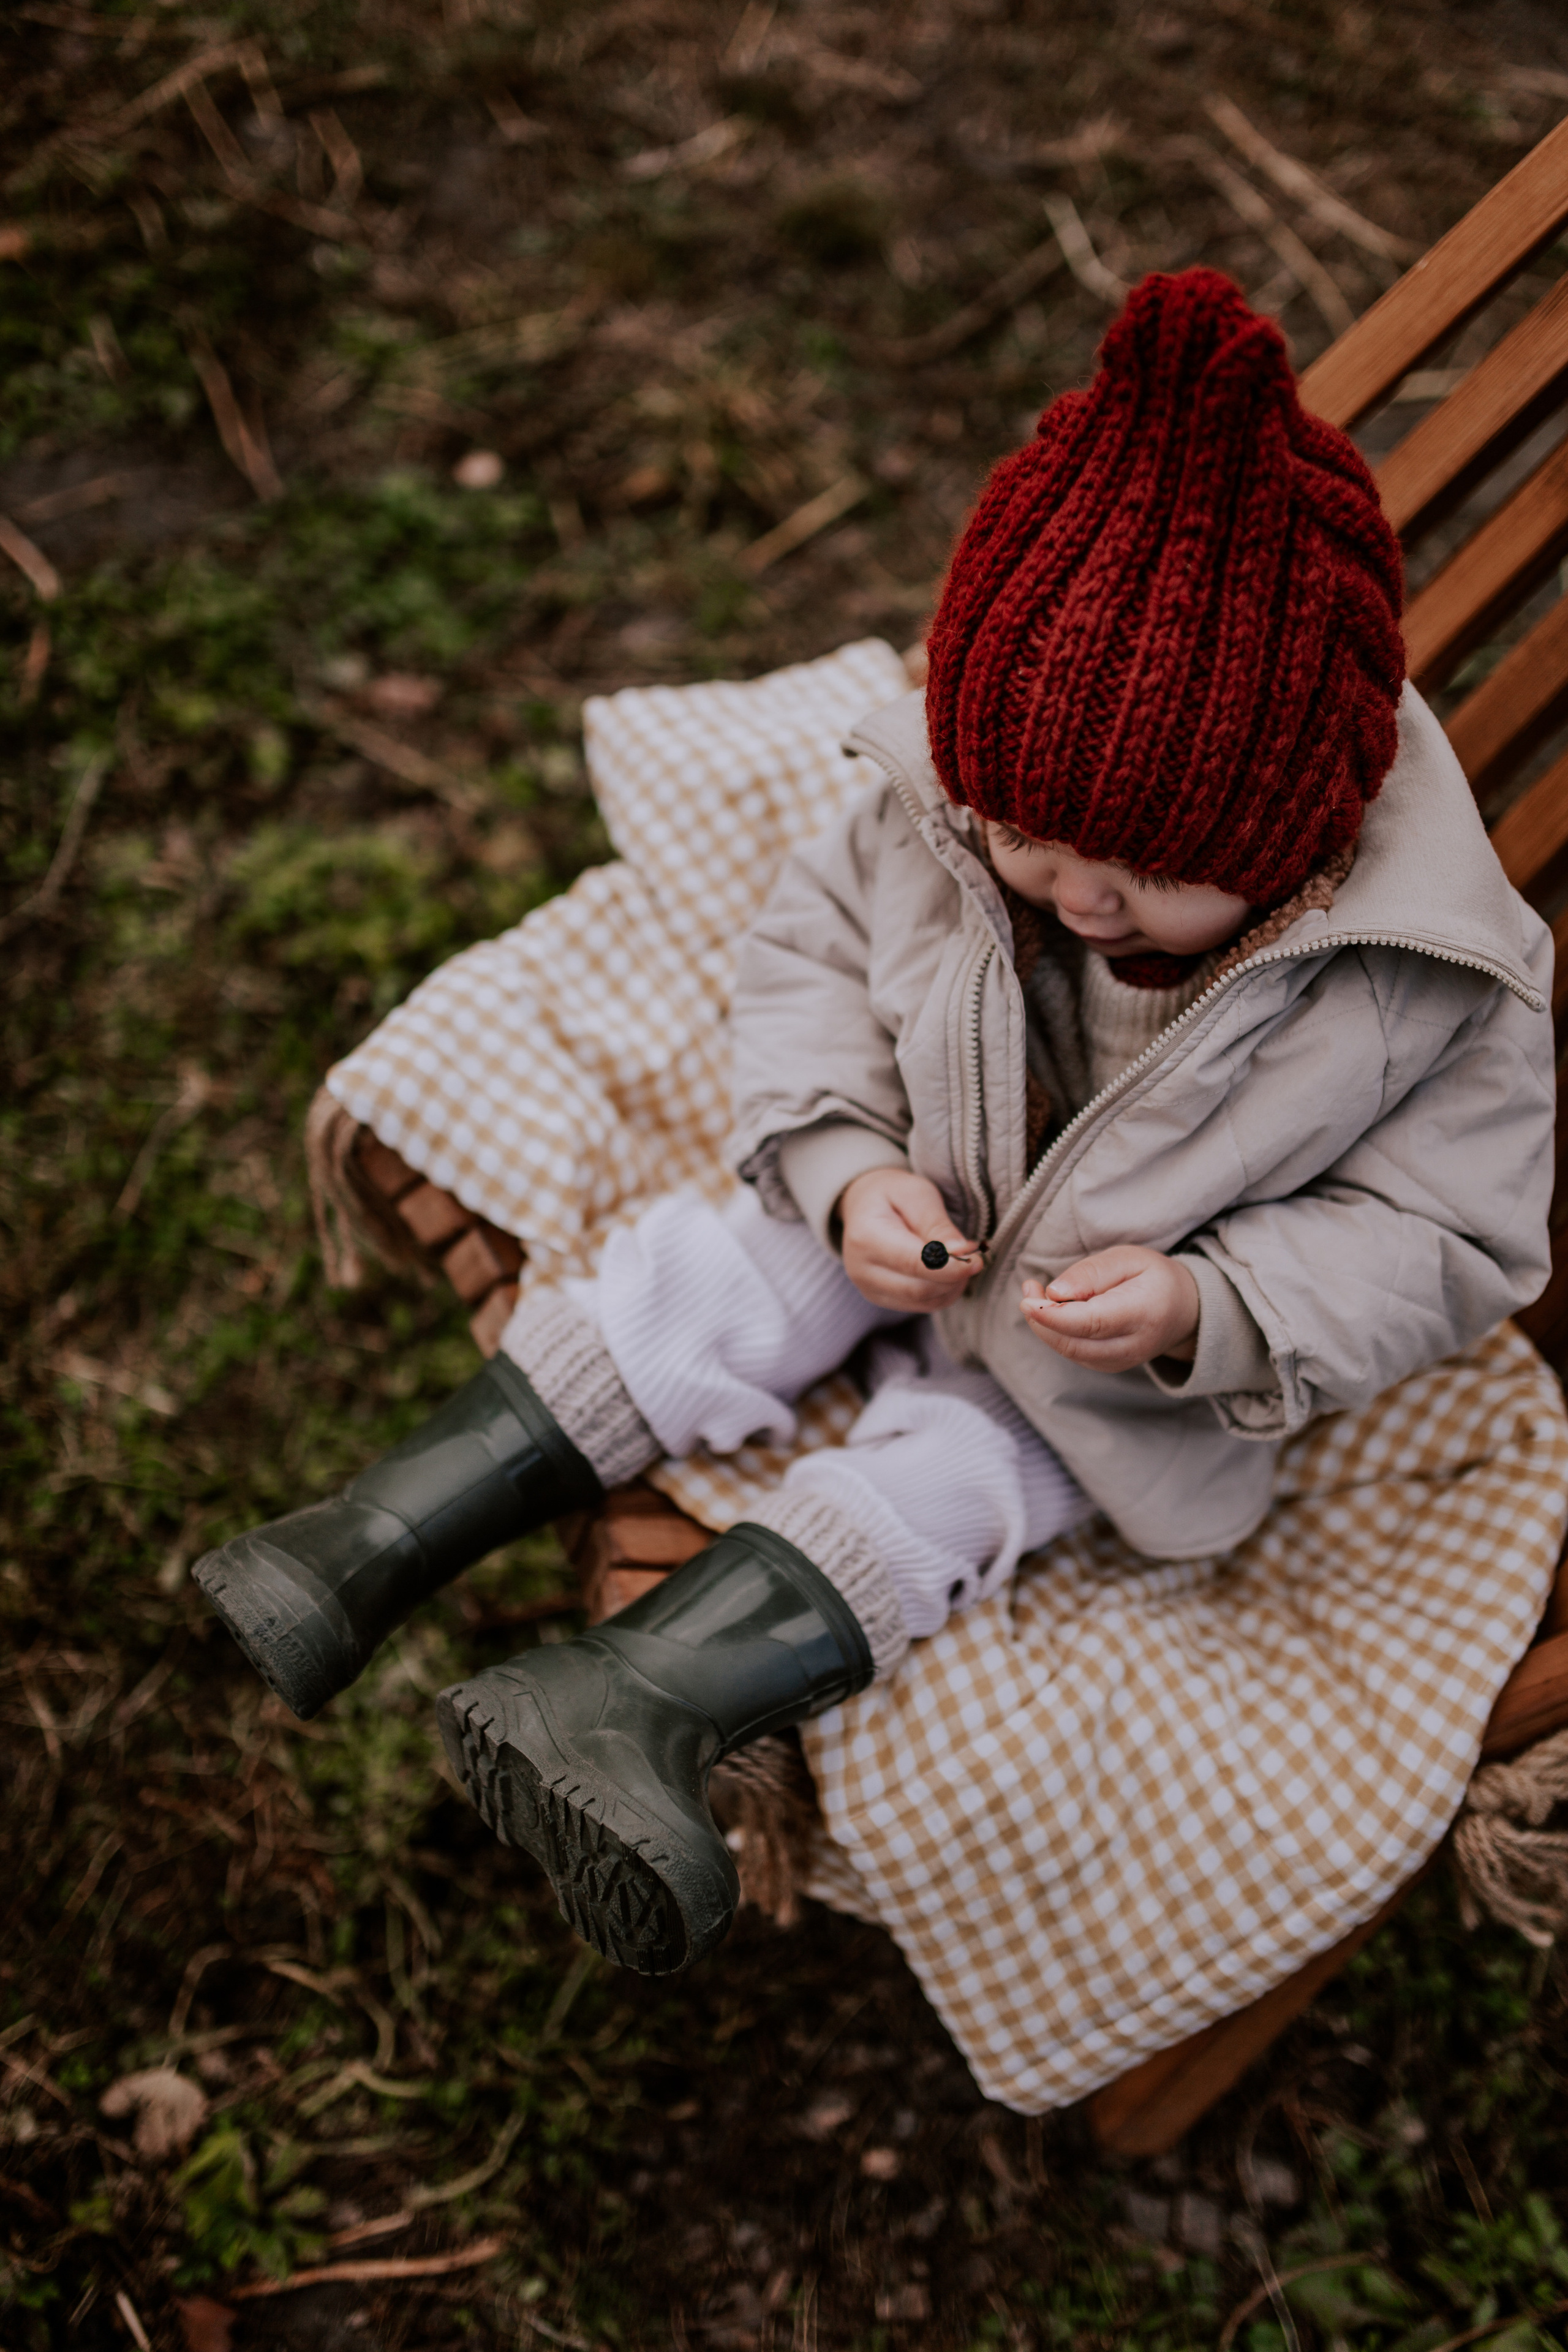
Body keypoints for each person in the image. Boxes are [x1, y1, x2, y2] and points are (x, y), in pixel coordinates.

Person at [195, 268, 1556, 1982]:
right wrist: (846, 1169)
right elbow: (812, 962)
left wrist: (1217, 1312)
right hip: (926, 1191)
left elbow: (1455, 1238)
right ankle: (362, 1538)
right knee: (721, 1274)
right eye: (1026, 849)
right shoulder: (954, 800)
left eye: (1141, 883)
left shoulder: (1431, 985)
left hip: (1109, 1358)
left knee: (969, 1487)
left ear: (1303, 830)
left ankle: (629, 1701)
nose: (1075, 900)